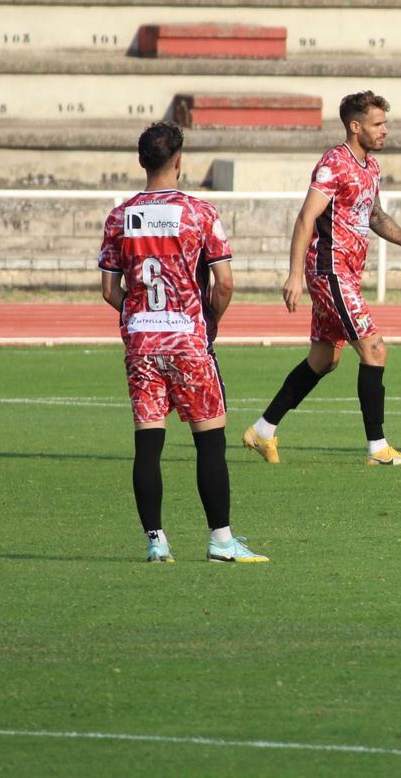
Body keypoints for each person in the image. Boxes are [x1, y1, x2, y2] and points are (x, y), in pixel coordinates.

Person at [243, 91, 401, 467]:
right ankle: (378, 448)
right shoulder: (334, 163)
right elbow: (306, 217)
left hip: (347, 272)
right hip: (329, 270)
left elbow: (375, 216)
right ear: (355, 126)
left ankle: (262, 430)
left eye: (385, 123)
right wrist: (294, 274)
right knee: (375, 348)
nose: (385, 130)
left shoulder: (371, 167)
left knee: (324, 358)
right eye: (377, 124)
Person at [98, 122, 266, 562]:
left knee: (148, 445)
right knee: (209, 442)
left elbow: (108, 290)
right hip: (188, 341)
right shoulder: (199, 213)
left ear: (141, 161)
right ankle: (221, 541)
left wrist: (138, 316)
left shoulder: (120, 216)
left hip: (141, 344)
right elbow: (224, 283)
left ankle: (156, 542)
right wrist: (208, 321)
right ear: (178, 160)